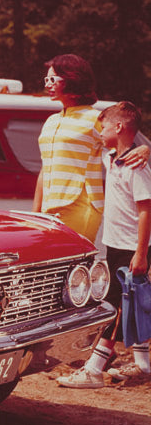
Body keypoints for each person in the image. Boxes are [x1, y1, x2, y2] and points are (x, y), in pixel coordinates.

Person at [58, 101, 151, 388]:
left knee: (115, 304)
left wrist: (141, 253)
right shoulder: (111, 158)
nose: (100, 133)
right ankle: (143, 365)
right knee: (133, 303)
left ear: (120, 128)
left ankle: (94, 369)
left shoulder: (138, 166)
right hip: (115, 244)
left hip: (130, 247)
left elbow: (146, 209)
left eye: (104, 128)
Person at [32, 54, 148, 242]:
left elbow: (127, 140)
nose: (47, 84)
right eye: (46, 79)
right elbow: (45, 168)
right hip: (49, 208)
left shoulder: (94, 118)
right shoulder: (51, 121)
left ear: (72, 80)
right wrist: (35, 212)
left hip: (81, 206)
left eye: (53, 79)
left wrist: (145, 150)